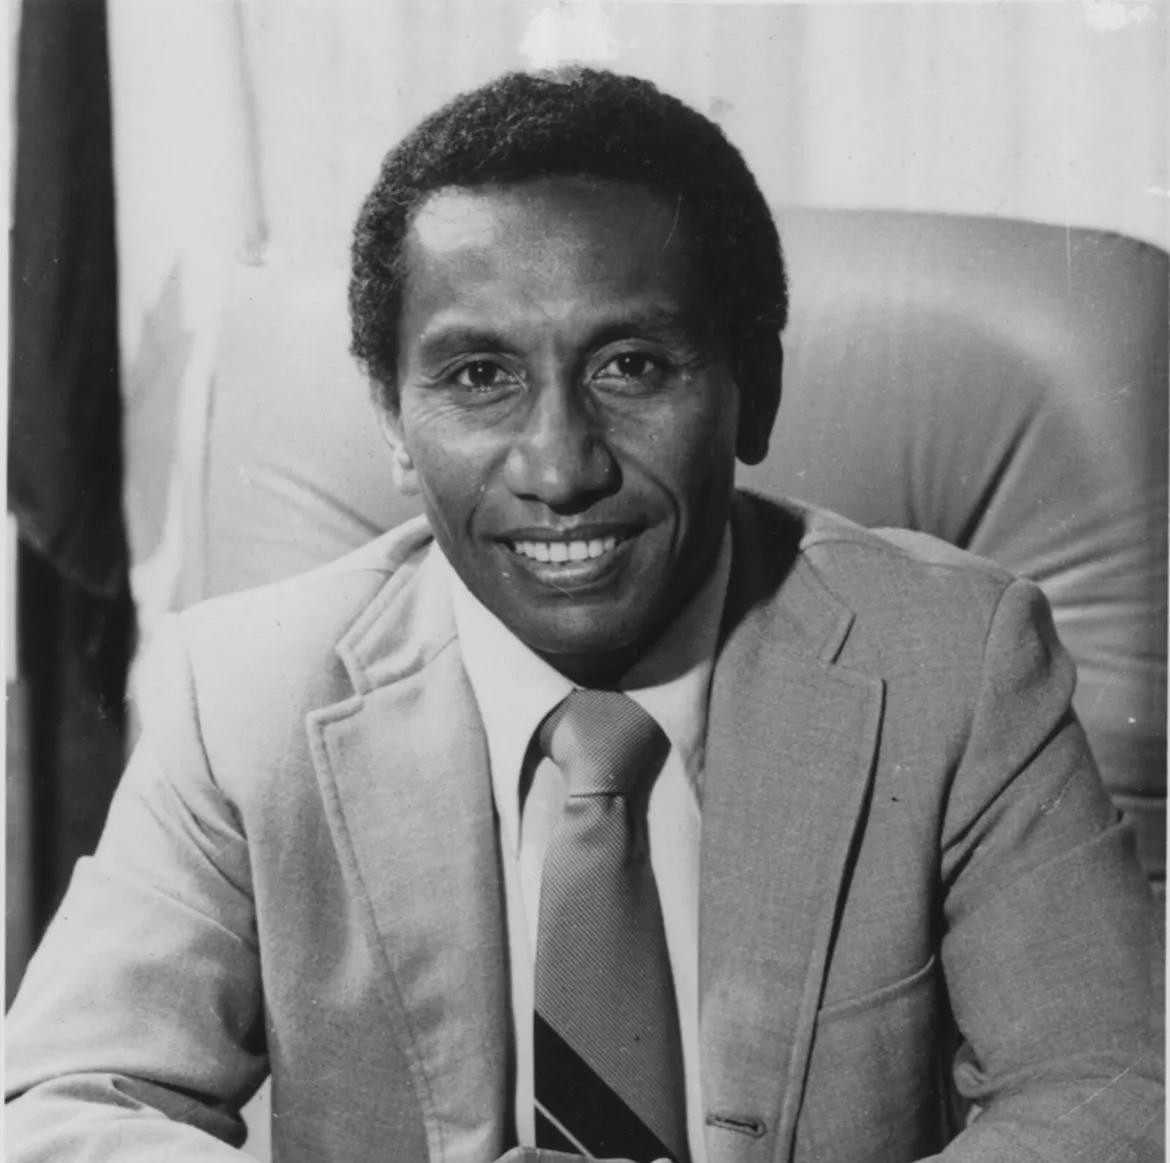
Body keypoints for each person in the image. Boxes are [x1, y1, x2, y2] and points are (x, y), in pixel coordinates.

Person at [5, 67, 1161, 1163]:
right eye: (478, 376)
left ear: (753, 387)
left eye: (631, 366)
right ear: (393, 420)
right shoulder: (243, 697)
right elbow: (64, 1105)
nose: (558, 469)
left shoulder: (955, 662)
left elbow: (1116, 1095)